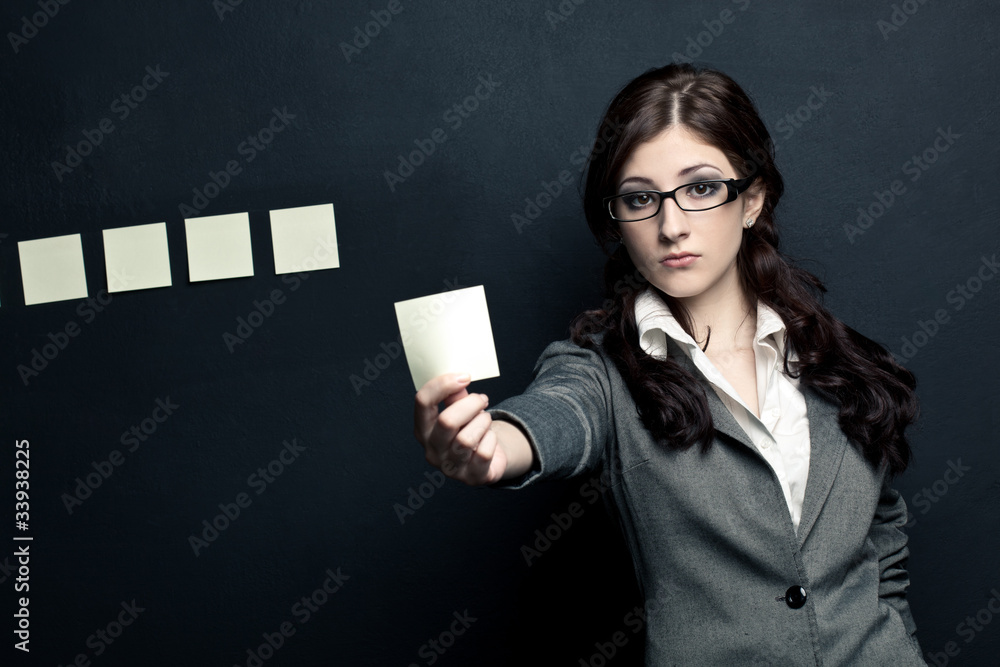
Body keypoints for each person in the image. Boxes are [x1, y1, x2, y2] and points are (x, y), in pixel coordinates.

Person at [413, 63, 925, 665]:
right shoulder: (604, 374)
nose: (671, 225)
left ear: (752, 199)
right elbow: (557, 415)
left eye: (701, 188)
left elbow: (883, 553)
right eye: (639, 199)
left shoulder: (843, 364)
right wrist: (495, 443)